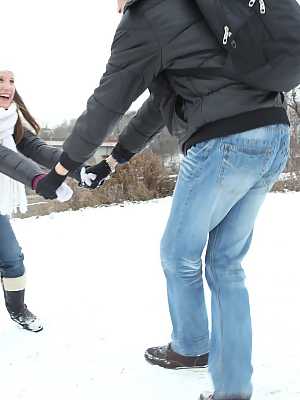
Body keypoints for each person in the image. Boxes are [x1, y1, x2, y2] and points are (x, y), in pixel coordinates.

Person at [35, 0, 291, 398]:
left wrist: (61, 169)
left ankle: (191, 348)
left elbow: (108, 101)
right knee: (226, 264)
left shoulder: (147, 14)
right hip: (272, 134)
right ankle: (233, 389)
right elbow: (160, 105)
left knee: (178, 253)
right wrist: (114, 161)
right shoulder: (203, 9)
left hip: (222, 141)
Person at [0, 69, 73, 332]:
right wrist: (39, 179)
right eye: (0, 80)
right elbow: (4, 158)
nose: (7, 86)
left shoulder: (10, 122)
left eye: (11, 81)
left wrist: (76, 166)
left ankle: (17, 309)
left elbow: (37, 148)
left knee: (12, 259)